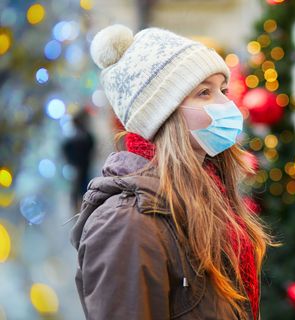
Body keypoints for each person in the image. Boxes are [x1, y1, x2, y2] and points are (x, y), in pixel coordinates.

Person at [70, 24, 273, 320]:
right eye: (204, 92)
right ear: (162, 114)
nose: (227, 104)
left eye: (223, 90)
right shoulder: (127, 222)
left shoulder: (206, 195)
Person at [61, 109, 95, 213]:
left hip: (79, 166)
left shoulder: (73, 137)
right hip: (81, 166)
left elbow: (65, 149)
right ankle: (83, 209)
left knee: (78, 189)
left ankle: (80, 210)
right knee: (82, 189)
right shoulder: (84, 136)